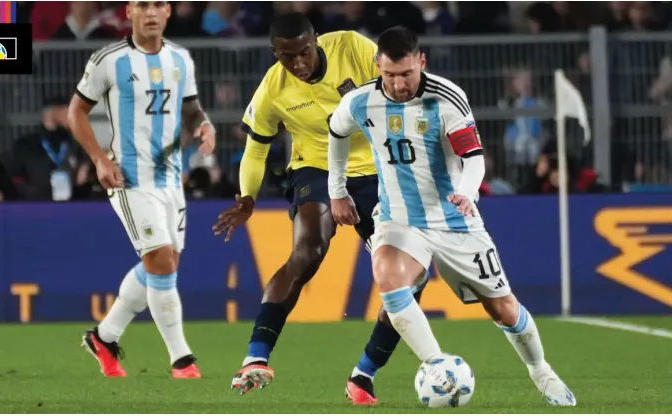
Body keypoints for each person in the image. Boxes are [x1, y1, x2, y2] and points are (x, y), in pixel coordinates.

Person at [327, 26, 577, 407]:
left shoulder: (446, 98)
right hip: (399, 219)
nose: (398, 84)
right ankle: (437, 365)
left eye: (406, 74)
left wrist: (468, 191)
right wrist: (337, 188)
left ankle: (541, 371)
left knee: (503, 307)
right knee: (387, 273)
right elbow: (336, 130)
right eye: (390, 75)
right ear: (378, 65)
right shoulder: (360, 101)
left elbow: (473, 157)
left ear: (421, 62)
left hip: (454, 219)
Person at [212, 12, 425, 404]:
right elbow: (255, 150)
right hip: (316, 168)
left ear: (316, 40)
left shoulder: (352, 47)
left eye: (304, 52)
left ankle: (363, 375)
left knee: (409, 277)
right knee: (308, 248)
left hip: (377, 170)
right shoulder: (273, 89)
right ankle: (255, 356)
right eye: (287, 57)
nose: (298, 63)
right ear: (274, 53)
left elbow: (398, 89)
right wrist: (247, 198)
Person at [68, 0, 216, 379]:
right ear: (129, 12)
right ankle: (182, 360)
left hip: (171, 178)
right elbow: (76, 111)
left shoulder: (181, 59)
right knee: (161, 261)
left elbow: (191, 106)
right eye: (142, 5)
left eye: (158, 5)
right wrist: (100, 160)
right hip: (129, 179)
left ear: (168, 11)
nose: (150, 12)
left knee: (163, 264)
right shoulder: (108, 60)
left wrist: (204, 124)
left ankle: (104, 336)